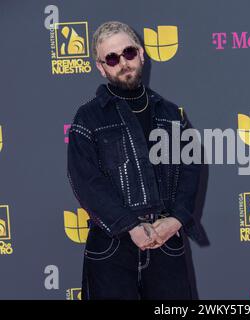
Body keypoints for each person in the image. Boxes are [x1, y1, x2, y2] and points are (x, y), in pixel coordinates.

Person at [67, 21, 203, 300]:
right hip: (112, 244)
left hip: (165, 241)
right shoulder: (88, 118)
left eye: (128, 53)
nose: (123, 63)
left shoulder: (169, 113)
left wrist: (177, 219)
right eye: (112, 58)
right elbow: (85, 181)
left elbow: (190, 169)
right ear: (102, 67)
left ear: (141, 53)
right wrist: (129, 225)